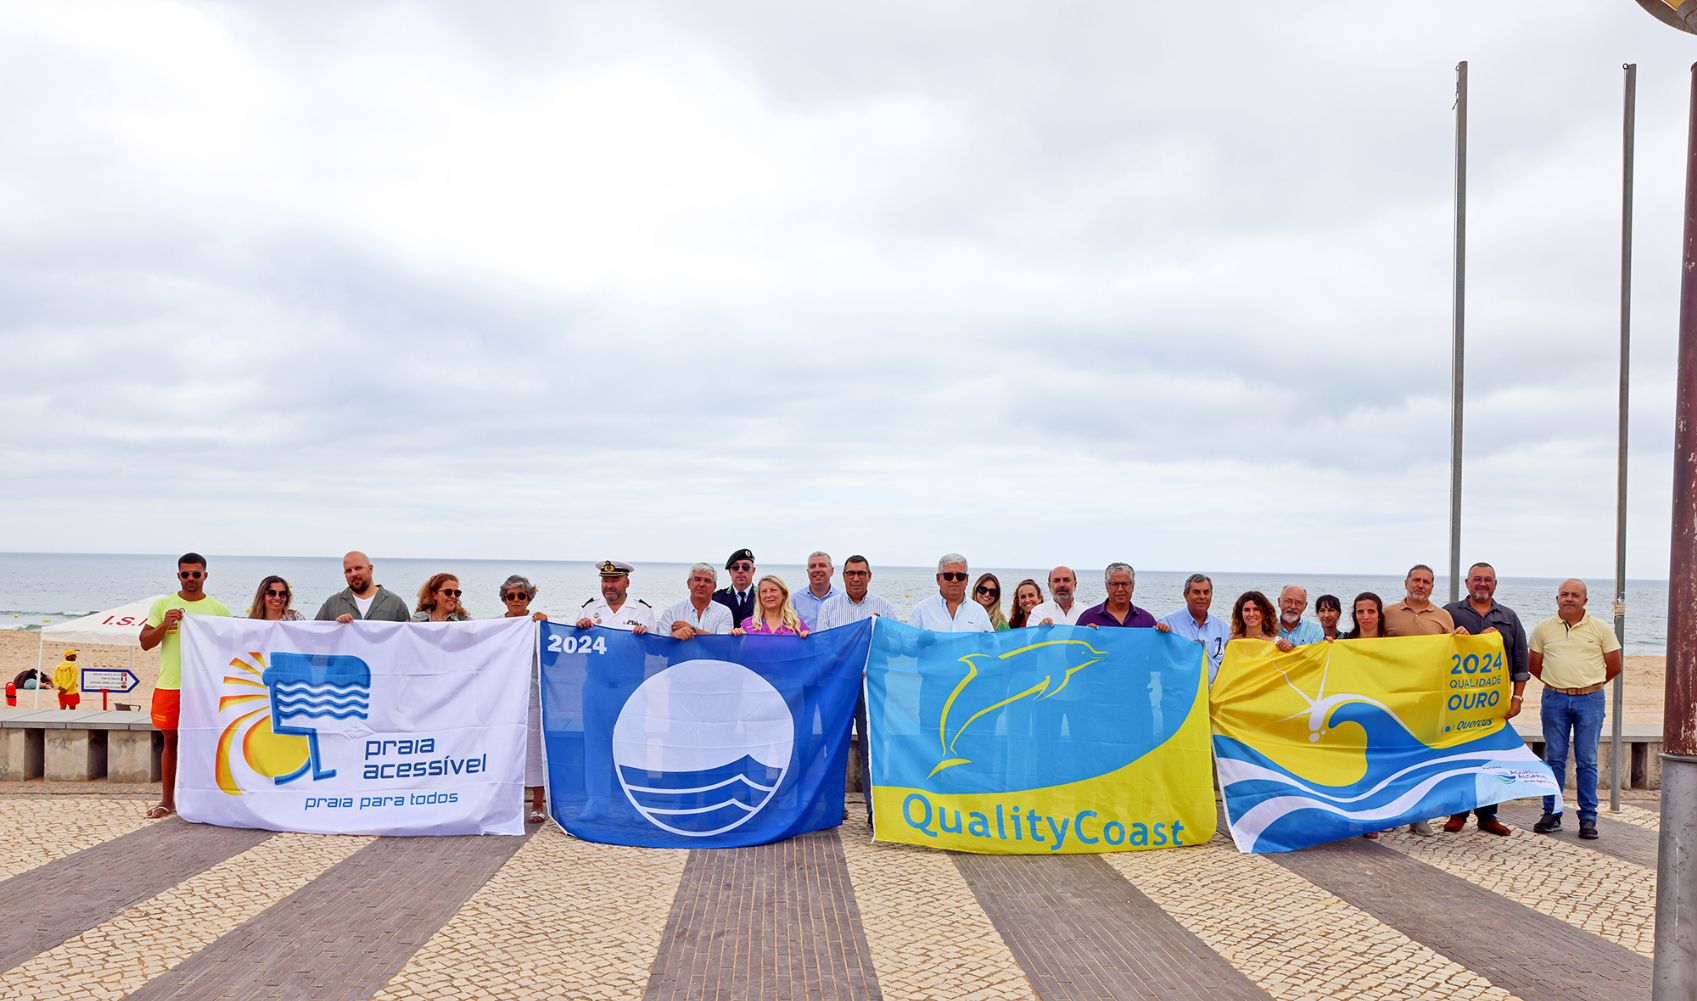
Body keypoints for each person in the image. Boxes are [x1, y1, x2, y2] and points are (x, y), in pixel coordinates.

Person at [139, 552, 232, 820]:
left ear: (205, 575)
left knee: (207, 740)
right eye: (185, 574)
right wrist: (165, 624)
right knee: (170, 741)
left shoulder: (218, 609)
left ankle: (207, 796)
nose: (190, 579)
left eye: (196, 574)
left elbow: (228, 645)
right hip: (171, 684)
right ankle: (168, 799)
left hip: (204, 688)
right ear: (178, 575)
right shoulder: (163, 604)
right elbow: (145, 642)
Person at [1528, 579, 1622, 840]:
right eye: (1564, 594)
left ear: (1585, 600)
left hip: (1590, 700)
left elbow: (1614, 666)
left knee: (1587, 760)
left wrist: (1587, 687)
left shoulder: (1601, 628)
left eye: (1575, 595)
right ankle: (1552, 813)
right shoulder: (1543, 629)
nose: (1569, 599)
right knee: (1554, 758)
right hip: (1554, 700)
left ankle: (1588, 819)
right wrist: (1560, 685)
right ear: (1557, 598)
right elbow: (1534, 666)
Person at [1440, 562, 1529, 836]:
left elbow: (1520, 660)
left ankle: (1488, 816)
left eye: (1487, 579)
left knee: (1491, 758)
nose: (1482, 583)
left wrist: (1517, 698)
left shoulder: (1509, 616)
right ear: (1467, 583)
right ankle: (1458, 813)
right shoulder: (1449, 612)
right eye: (1477, 579)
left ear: (1495, 584)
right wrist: (1454, 638)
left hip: (1493, 703)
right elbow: (1435, 650)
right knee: (1459, 757)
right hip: (1458, 703)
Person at [815, 555, 897, 831]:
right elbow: (824, 646)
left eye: (861, 573)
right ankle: (832, 810)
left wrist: (882, 629)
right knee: (833, 748)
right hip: (839, 686)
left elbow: (897, 647)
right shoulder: (829, 608)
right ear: (844, 576)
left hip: (872, 687)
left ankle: (876, 813)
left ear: (870, 576)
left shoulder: (883, 607)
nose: (856, 578)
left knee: (872, 749)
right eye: (851, 573)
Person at [499, 575, 550, 825]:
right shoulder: (494, 626)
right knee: (504, 752)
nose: (516, 600)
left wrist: (546, 629)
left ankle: (538, 804)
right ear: (504, 600)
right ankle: (507, 803)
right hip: (502, 699)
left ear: (529, 597)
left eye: (521, 595)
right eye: (511, 596)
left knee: (534, 752)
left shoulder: (537, 624)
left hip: (531, 697)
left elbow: (552, 660)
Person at [1157, 574, 1231, 683]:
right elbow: (1161, 662)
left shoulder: (1224, 628)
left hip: (1214, 696)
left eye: (1206, 592)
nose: (1202, 597)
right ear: (1186, 595)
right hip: (1180, 694)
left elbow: (1228, 664)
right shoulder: (1167, 624)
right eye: (1196, 592)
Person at [315, 551, 411, 623]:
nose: (353, 573)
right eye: (348, 571)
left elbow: (406, 640)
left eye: (358, 568)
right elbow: (316, 637)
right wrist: (335, 627)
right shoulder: (332, 604)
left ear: (370, 569)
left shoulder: (395, 603)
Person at [906, 554, 993, 632]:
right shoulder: (921, 610)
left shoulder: (978, 612)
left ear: (966, 579)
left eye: (960, 576)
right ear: (938, 578)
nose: (954, 580)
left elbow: (993, 646)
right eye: (949, 576)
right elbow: (908, 644)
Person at [1383, 565, 1466, 636]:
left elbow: (1451, 646)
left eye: (1426, 582)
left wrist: (1464, 637)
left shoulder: (1444, 616)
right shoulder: (1387, 613)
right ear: (1406, 583)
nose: (1420, 585)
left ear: (1432, 588)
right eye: (1416, 580)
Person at [575, 561, 654, 633]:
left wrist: (645, 637)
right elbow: (574, 643)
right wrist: (578, 629)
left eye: (615, 580)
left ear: (627, 583)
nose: (609, 586)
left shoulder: (644, 611)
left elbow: (655, 644)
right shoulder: (588, 608)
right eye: (605, 580)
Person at [660, 564, 735, 638]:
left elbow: (723, 643)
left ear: (714, 587)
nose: (702, 584)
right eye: (697, 579)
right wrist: (673, 637)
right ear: (689, 583)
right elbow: (661, 645)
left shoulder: (724, 612)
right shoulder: (671, 613)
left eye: (707, 581)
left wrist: (693, 629)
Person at [1077, 563, 1157, 628]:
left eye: (1125, 584)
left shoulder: (1146, 620)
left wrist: (1163, 632)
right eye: (1114, 584)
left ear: (1132, 586)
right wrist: (1085, 635)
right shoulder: (1088, 617)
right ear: (1107, 587)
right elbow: (1073, 646)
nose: (1120, 589)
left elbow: (1156, 647)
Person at [732, 575, 809, 636]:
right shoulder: (748, 625)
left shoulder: (796, 624)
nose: (768, 595)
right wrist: (735, 636)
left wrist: (809, 638)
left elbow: (809, 649)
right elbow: (737, 651)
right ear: (759, 597)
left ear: (784, 595)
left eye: (773, 590)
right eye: (764, 591)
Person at [1229, 591, 1293, 651]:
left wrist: (1290, 648)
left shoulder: (1276, 643)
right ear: (1240, 613)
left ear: (1264, 613)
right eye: (1247, 610)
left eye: (1256, 609)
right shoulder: (1232, 640)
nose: (1251, 614)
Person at [712, 548, 759, 629]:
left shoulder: (763, 597)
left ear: (753, 570)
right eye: (735, 567)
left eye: (745, 566)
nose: (740, 570)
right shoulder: (717, 598)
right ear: (730, 572)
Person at [792, 552, 839, 631]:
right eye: (812, 566)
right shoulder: (794, 600)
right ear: (808, 572)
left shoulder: (841, 599)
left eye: (822, 565)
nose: (817, 570)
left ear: (832, 571)